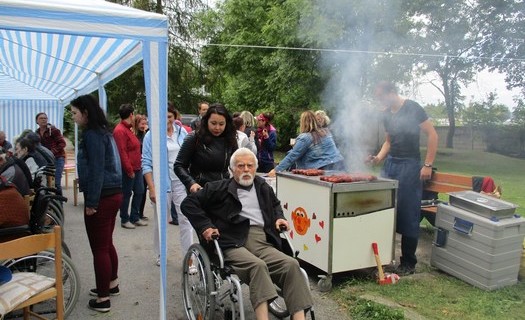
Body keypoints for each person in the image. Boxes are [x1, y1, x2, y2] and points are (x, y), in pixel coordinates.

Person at [181, 148, 313, 320]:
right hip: (231, 241)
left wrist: (279, 218)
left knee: (291, 265)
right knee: (257, 266)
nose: (245, 170)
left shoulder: (263, 186)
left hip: (261, 239)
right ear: (232, 169)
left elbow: (275, 206)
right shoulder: (218, 188)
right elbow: (188, 204)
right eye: (240, 166)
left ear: (255, 168)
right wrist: (206, 226)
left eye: (250, 166)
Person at [368, 81, 438, 276]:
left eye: (381, 96)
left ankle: (408, 262)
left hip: (410, 165)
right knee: (384, 209)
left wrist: (427, 164)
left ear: (392, 92)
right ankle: (382, 257)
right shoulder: (386, 114)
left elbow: (432, 135)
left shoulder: (413, 108)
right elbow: (388, 142)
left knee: (408, 213)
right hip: (391, 164)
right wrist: (378, 158)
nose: (380, 101)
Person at [70, 94, 123, 313]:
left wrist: (91, 202)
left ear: (86, 112)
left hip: (103, 196)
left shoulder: (93, 134)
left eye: (74, 112)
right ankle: (111, 284)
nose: (72, 117)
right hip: (112, 194)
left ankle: (103, 299)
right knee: (106, 243)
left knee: (99, 248)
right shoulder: (103, 132)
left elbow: (98, 169)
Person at [142, 106, 192, 266]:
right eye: (163, 116)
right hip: (161, 183)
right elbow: (146, 163)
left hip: (180, 182)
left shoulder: (182, 132)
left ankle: (189, 258)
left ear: (174, 116)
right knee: (161, 221)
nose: (167, 120)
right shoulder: (151, 135)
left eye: (169, 116)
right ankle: (161, 254)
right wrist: (151, 187)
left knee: (186, 219)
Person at [175, 103, 238, 194]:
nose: (217, 128)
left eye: (221, 124)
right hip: (200, 191)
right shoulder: (194, 137)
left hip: (223, 191)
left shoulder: (230, 139)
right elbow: (179, 165)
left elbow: (237, 164)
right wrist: (191, 183)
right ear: (206, 121)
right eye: (213, 123)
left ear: (227, 123)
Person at [268, 111, 345, 176]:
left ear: (303, 122)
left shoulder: (305, 137)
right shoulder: (326, 132)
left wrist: (276, 170)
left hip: (321, 169)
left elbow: (293, 156)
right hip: (339, 165)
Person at [113, 104, 146, 229]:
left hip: (137, 167)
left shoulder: (128, 129)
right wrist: (129, 169)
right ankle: (124, 218)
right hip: (129, 168)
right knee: (126, 193)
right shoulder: (120, 130)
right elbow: (122, 152)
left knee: (140, 191)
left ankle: (135, 216)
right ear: (131, 114)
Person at [35, 112, 66, 195]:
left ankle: (60, 205)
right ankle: (50, 204)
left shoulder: (53, 130)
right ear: (37, 121)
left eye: (45, 118)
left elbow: (62, 143)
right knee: (46, 183)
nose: (44, 120)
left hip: (58, 158)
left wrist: (51, 152)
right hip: (46, 160)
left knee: (56, 183)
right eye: (41, 118)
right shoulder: (36, 133)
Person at [132, 114, 149, 221]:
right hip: (137, 165)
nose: (144, 125)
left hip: (144, 166)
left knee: (143, 191)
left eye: (145, 123)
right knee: (138, 191)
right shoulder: (134, 135)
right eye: (142, 124)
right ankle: (134, 213)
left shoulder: (146, 134)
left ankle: (140, 212)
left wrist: (146, 132)